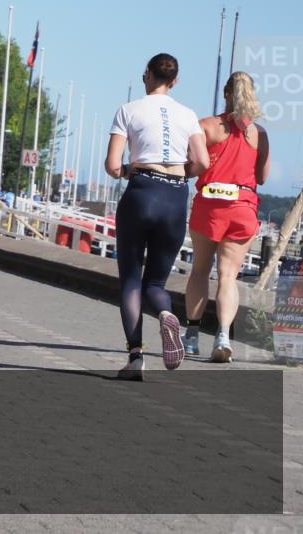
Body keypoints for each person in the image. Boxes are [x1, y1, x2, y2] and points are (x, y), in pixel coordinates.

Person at [105, 53, 209, 380]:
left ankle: (136, 357)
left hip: (141, 191)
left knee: (131, 281)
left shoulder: (128, 110)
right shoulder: (189, 115)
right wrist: (180, 174)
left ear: (147, 75)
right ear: (175, 81)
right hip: (176, 195)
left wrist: (127, 171)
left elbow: (111, 165)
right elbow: (203, 162)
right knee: (157, 282)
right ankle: (166, 312)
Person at [183, 72, 270, 363]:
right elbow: (262, 177)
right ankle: (222, 336)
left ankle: (192, 336)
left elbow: (191, 164)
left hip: (210, 205)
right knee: (228, 276)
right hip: (242, 208)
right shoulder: (260, 134)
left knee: (199, 271)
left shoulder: (206, 126)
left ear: (225, 93)